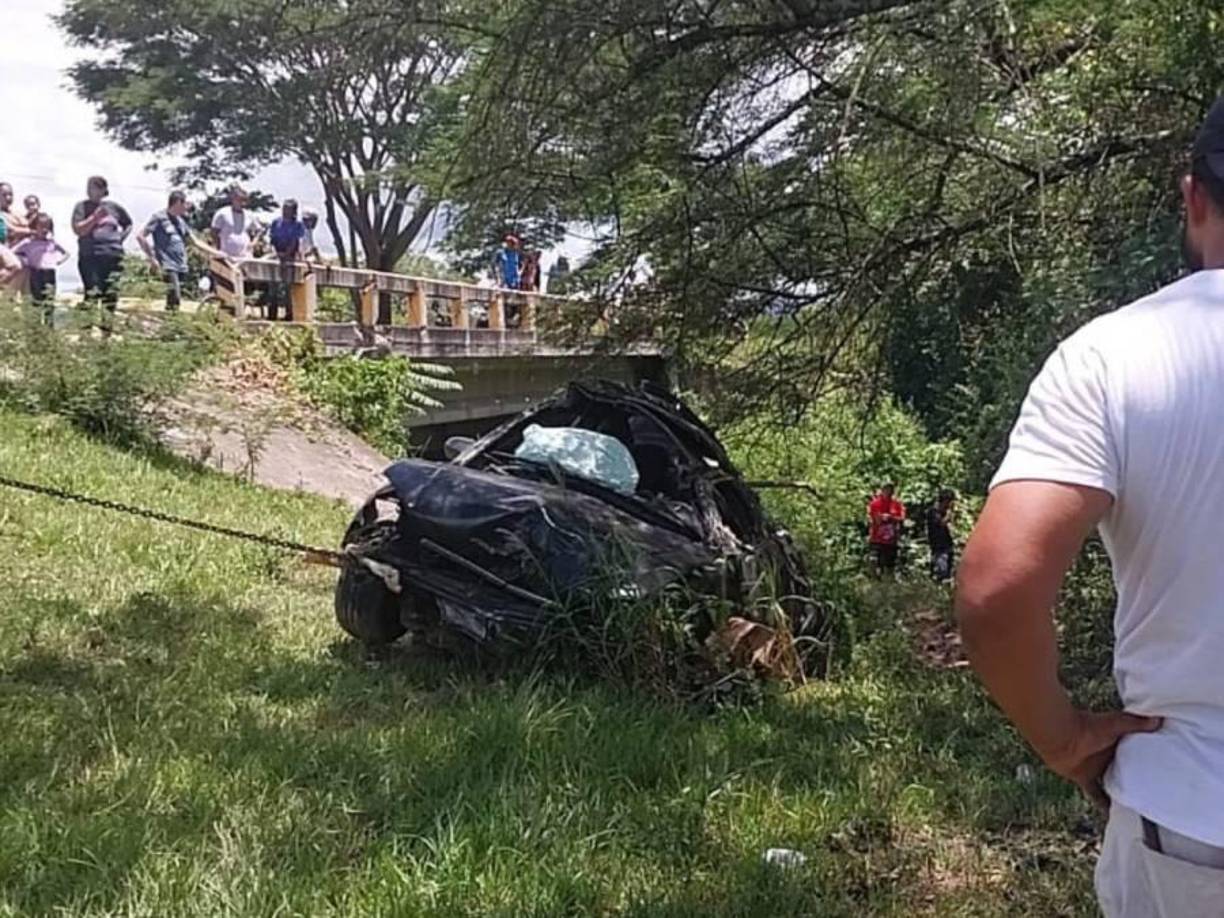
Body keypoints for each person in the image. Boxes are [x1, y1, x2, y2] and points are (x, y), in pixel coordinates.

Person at [957, 98, 1224, 918]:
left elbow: (997, 594)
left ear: (1194, 199)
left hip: (1194, 821)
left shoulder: (1118, 357)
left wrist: (1066, 740)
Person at [72, 175, 132, 316]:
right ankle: (86, 330)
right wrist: (94, 218)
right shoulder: (81, 207)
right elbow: (78, 230)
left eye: (94, 188)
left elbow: (128, 223)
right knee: (92, 292)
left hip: (113, 255)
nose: (90, 191)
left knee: (110, 295)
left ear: (103, 190)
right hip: (90, 255)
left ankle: (106, 332)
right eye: (89, 188)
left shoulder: (113, 207)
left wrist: (119, 238)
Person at [137, 190, 193, 312]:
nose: (185, 208)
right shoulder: (159, 217)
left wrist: (216, 253)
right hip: (167, 264)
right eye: (184, 204)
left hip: (181, 265)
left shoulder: (180, 221)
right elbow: (141, 236)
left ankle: (172, 326)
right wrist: (152, 258)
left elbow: (194, 241)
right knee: (175, 296)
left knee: (175, 301)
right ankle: (171, 324)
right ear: (178, 203)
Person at [12, 213, 68, 321]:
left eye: (47, 226)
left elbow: (66, 253)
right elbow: (12, 252)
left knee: (49, 303)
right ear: (35, 227)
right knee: (36, 302)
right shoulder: (28, 243)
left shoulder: (51, 242)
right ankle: (36, 330)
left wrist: (58, 261)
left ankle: (49, 330)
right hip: (36, 273)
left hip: (50, 273)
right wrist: (24, 261)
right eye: (41, 226)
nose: (44, 229)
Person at [266, 199, 305, 321]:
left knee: (289, 288)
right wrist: (275, 253)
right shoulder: (276, 222)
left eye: (288, 210)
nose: (285, 212)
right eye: (284, 209)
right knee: (273, 286)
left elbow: (295, 241)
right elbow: (272, 240)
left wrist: (287, 255)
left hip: (290, 258)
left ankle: (289, 315)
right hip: (276, 256)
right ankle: (271, 314)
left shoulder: (297, 225)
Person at [867, 483, 906, 576]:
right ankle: (874, 578)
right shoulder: (875, 504)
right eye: (886, 489)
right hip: (877, 538)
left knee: (890, 564)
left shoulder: (897, 504)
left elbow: (902, 518)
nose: (888, 492)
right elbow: (872, 518)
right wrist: (881, 517)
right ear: (882, 490)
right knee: (875, 560)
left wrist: (891, 518)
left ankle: (888, 582)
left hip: (891, 540)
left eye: (891, 490)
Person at [209, 185, 255, 260]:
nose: (242, 203)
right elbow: (214, 232)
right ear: (233, 199)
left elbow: (259, 230)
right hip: (226, 256)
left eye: (244, 200)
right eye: (240, 200)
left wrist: (253, 243)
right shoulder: (222, 213)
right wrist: (218, 247)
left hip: (245, 257)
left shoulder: (249, 215)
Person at [925, 489, 956, 582]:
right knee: (941, 571)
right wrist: (949, 514)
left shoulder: (944, 512)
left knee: (948, 573)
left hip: (947, 544)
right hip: (938, 546)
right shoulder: (932, 512)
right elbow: (941, 523)